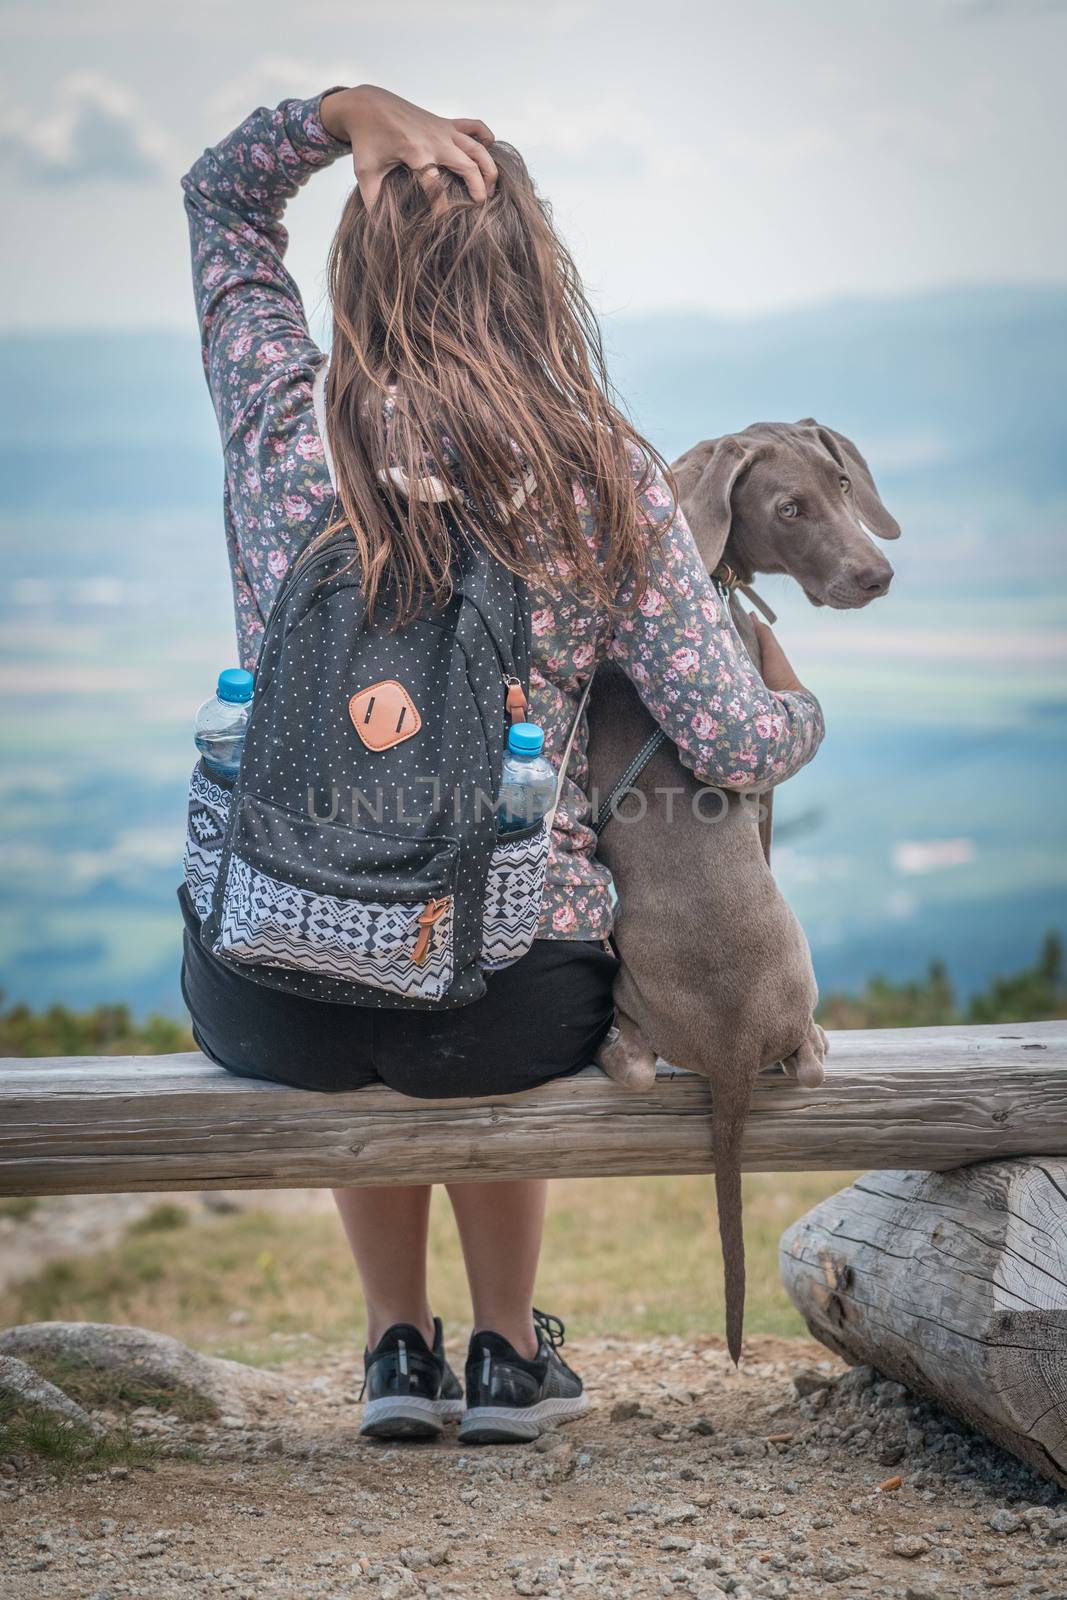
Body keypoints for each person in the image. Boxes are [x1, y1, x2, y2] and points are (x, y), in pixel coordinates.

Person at [179, 84, 824, 1445]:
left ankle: (393, 1354)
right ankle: (507, 1358)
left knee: (358, 945)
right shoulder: (602, 471)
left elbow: (221, 199)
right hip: (512, 999)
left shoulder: (280, 435)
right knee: (476, 951)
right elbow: (724, 736)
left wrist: (343, 112)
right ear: (536, 270)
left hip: (271, 987)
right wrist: (801, 712)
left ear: (358, 271)